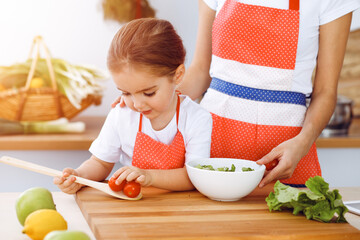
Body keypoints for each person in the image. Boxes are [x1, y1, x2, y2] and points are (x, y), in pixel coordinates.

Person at [178, 0, 360, 187]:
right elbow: (200, 72)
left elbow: (325, 92)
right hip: (211, 146)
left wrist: (302, 144)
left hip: (284, 157)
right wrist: (153, 103)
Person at [54, 18, 212, 194]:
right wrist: (80, 176)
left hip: (182, 210)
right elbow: (100, 162)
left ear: (178, 75)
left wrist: (149, 176)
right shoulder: (121, 114)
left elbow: (194, 177)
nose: (137, 104)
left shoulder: (197, 119)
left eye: (149, 93)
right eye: (126, 93)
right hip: (133, 209)